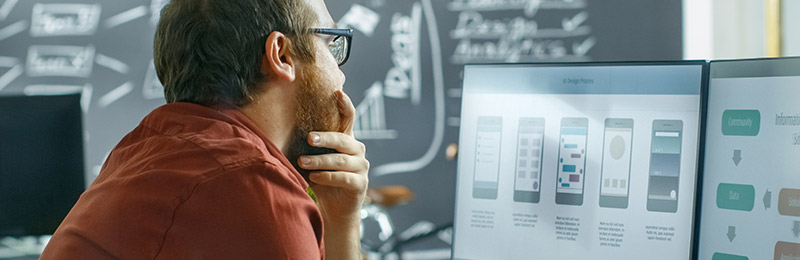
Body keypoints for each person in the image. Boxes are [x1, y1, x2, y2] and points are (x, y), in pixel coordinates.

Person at [40, 0, 368, 258]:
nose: (341, 76)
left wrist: (340, 221)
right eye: (330, 42)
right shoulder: (250, 181)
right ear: (281, 54)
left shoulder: (144, 152)